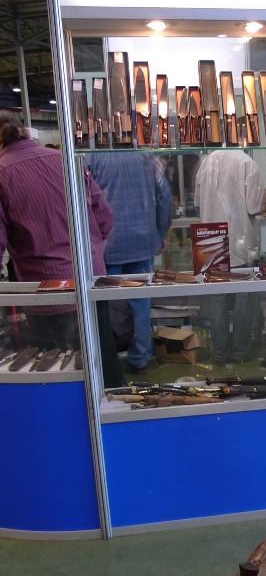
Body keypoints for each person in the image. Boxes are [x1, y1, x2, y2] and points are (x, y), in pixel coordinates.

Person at [0, 110, 123, 386]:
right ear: (25, 132)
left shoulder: (3, 173)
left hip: (48, 290)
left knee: (60, 372)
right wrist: (90, 249)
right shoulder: (65, 160)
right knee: (103, 359)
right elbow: (104, 218)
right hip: (91, 281)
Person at [85, 151, 172, 374]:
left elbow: (84, 201)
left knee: (105, 305)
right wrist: (162, 231)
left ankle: (106, 361)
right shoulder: (147, 157)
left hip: (108, 245)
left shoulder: (91, 158)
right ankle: (140, 359)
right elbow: (164, 194)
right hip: (143, 242)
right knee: (141, 304)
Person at [194, 149, 265, 364]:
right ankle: (241, 351)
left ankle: (219, 352)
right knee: (244, 297)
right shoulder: (248, 163)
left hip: (209, 238)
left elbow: (198, 203)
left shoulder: (206, 162)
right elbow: (256, 207)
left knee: (218, 297)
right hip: (239, 238)